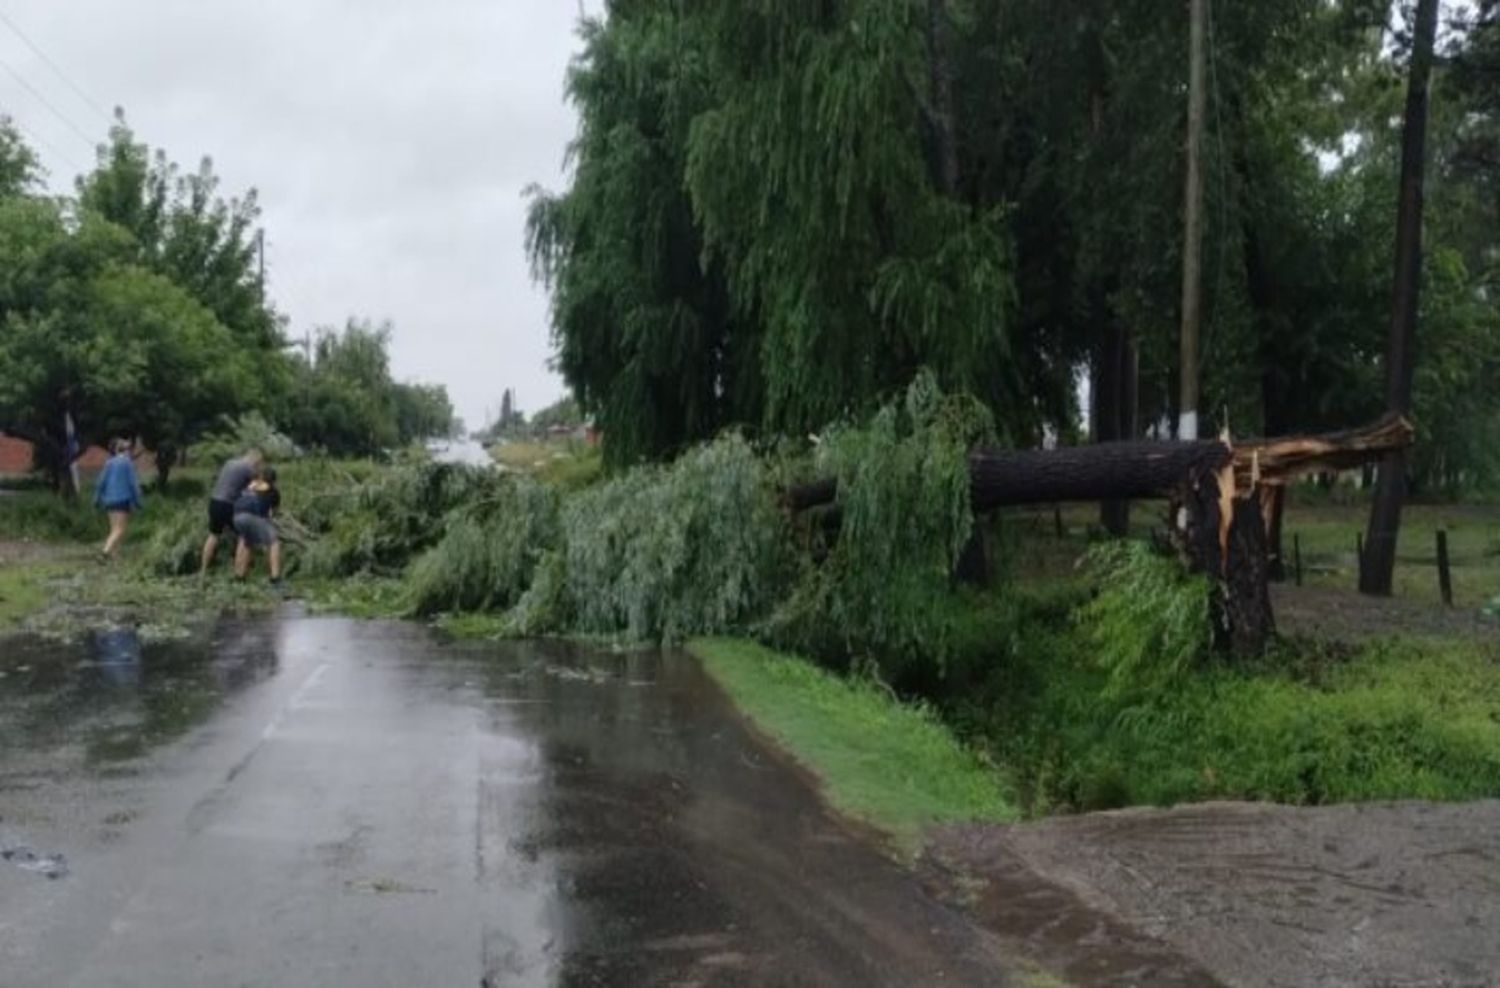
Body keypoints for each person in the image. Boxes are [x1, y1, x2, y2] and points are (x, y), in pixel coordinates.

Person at [201, 448, 263, 575]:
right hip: (229, 505)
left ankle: (203, 570)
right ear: (254, 460)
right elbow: (259, 488)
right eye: (258, 463)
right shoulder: (249, 469)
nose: (258, 465)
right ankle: (239, 574)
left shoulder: (229, 463)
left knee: (214, 535)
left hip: (214, 502)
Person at [232, 466, 283, 588]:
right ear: (274, 480)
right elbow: (274, 512)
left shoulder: (251, 485)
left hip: (236, 516)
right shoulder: (273, 491)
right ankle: (275, 579)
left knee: (246, 542)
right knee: (274, 541)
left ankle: (239, 576)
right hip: (251, 516)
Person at [93, 439, 142, 560]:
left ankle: (115, 556)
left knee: (113, 529)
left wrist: (96, 499)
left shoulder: (109, 463)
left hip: (109, 501)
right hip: (122, 500)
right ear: (126, 451)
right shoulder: (127, 463)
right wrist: (138, 501)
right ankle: (104, 553)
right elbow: (132, 484)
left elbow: (101, 483)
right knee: (120, 530)